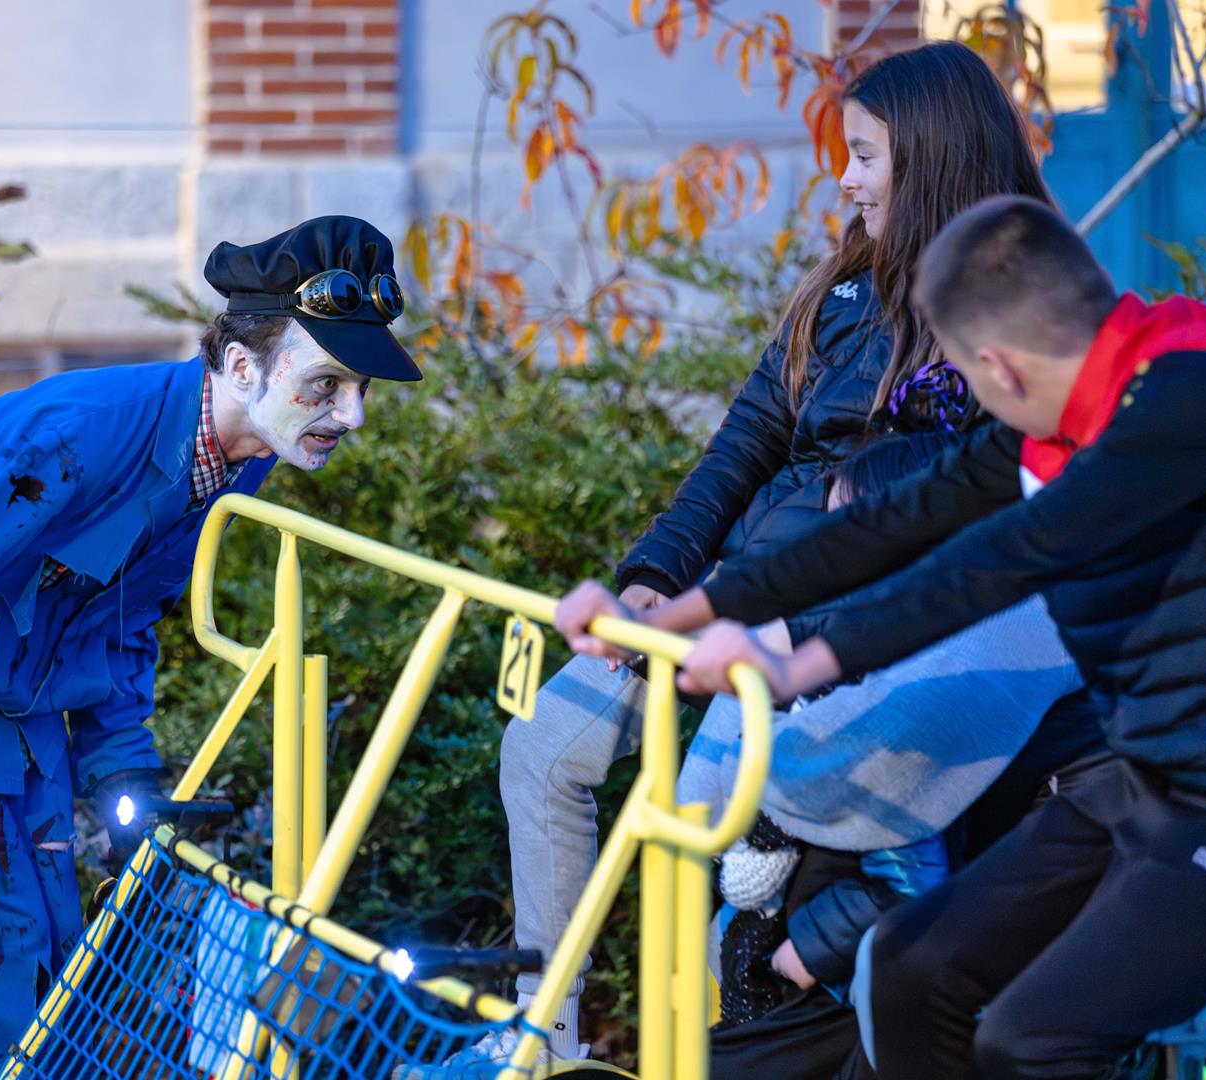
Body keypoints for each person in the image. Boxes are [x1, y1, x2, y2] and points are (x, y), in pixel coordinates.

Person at [442, 40, 1063, 1072]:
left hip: (821, 651)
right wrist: (654, 577)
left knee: (703, 831)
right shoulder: (837, 292)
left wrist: (764, 630)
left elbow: (948, 532)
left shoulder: (1004, 316)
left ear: (933, 156)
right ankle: (541, 1042)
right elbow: (735, 457)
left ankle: (696, 1045)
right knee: (546, 745)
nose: (846, 178)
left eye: (867, 156)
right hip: (719, 602)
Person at [568, 195, 1206, 1078]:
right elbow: (888, 527)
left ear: (999, 368)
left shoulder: (1195, 395)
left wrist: (798, 666)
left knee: (1035, 1040)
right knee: (907, 967)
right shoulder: (1068, 417)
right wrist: (669, 616)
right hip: (1150, 779)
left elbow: (1001, 559)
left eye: (965, 374)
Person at [0, 216, 421, 1078]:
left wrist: (121, 772)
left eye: (361, 388)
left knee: (59, 950)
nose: (352, 414)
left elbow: (120, 619)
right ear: (244, 366)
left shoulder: (237, 457)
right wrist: (56, 726)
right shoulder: (88, 433)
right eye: (328, 384)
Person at [677, 435, 1081, 1077]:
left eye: (857, 533)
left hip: (851, 961)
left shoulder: (961, 652)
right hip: (816, 951)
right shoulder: (875, 638)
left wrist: (813, 945)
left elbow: (910, 867)